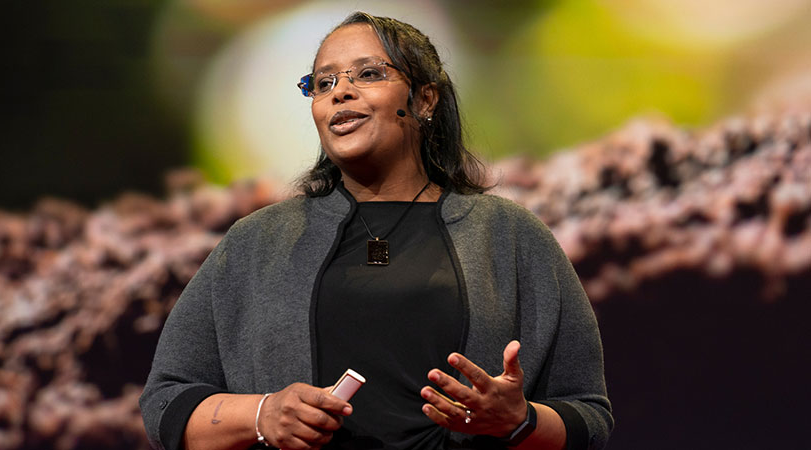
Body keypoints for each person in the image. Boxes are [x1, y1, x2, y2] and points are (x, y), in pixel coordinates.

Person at [140, 11, 612, 450]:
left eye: (368, 74)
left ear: (424, 99)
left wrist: (519, 421)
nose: (340, 92)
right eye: (323, 83)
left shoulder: (511, 236)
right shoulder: (256, 242)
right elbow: (166, 403)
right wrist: (263, 413)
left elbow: (589, 418)